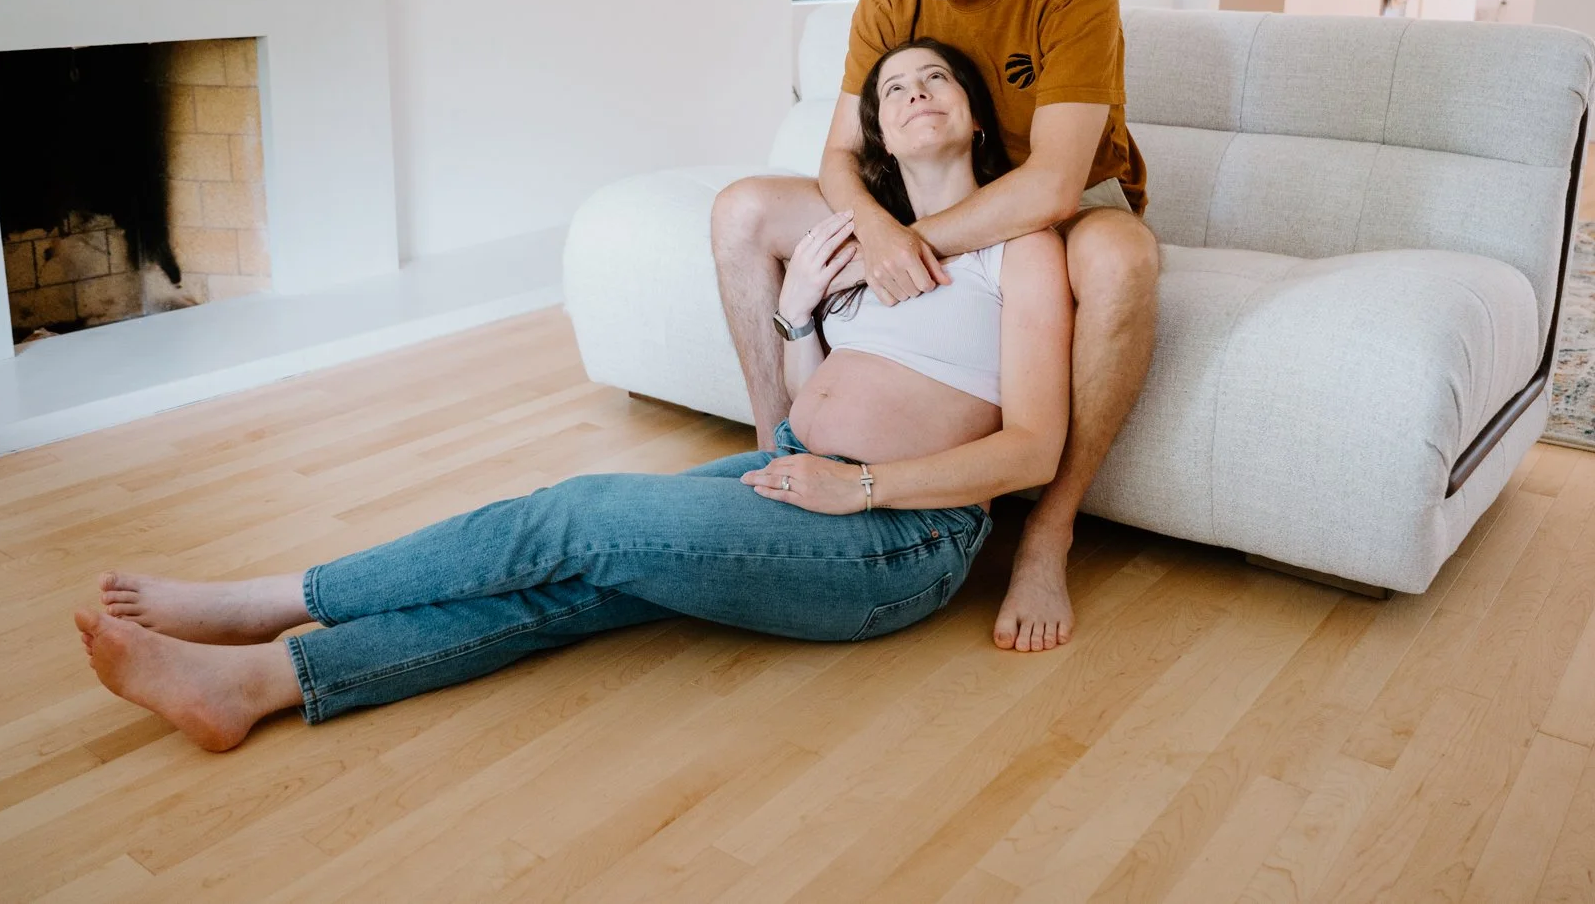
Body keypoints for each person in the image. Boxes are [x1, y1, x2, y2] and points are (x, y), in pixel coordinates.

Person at [73, 40, 1071, 751]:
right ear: (870, 138)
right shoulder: (853, 242)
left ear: (974, 114)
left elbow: (1029, 447)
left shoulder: (1017, 249)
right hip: (797, 475)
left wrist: (862, 489)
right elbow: (813, 405)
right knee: (570, 585)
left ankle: (263, 602)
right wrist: (800, 315)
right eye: (892, 85)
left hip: (899, 538)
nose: (915, 89)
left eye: (937, 77)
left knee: (574, 514)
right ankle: (259, 681)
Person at [713, 0, 1158, 655]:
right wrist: (877, 231)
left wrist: (913, 242)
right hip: (919, 200)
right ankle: (774, 458)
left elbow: (1055, 184)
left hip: (1050, 202)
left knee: (1122, 259)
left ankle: (1047, 533)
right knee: (743, 210)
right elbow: (839, 157)